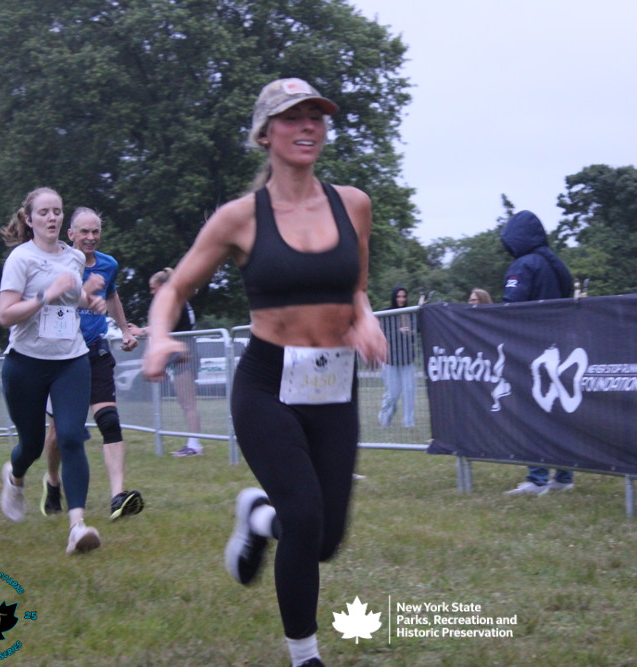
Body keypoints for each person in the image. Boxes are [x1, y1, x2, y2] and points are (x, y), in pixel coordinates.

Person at [142, 77, 386, 667]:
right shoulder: (239, 219)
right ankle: (305, 655)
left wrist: (366, 319)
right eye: (292, 117)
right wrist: (159, 335)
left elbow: (356, 288)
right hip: (267, 385)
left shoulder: (353, 204)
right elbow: (175, 287)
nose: (307, 126)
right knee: (304, 516)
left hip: (334, 384)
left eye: (316, 117)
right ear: (264, 134)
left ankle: (259, 514)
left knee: (324, 538)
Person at [0, 186, 106, 554]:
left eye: (57, 211)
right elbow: (5, 314)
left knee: (71, 436)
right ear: (29, 219)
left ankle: (77, 527)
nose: (52, 217)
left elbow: (74, 299)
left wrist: (91, 298)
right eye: (44, 212)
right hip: (25, 363)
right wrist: (46, 294)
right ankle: (15, 476)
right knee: (30, 445)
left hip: (70, 360)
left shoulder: (74, 257)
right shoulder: (21, 259)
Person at [41, 207, 145, 521]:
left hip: (96, 350)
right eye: (84, 231)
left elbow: (112, 296)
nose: (90, 237)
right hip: (62, 355)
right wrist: (83, 292)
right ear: (70, 234)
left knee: (109, 421)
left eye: (95, 231)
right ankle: (53, 482)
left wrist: (125, 330)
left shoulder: (108, 264)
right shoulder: (56, 263)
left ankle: (118, 498)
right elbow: (46, 302)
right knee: (60, 434)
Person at [500, 209, 577, 496]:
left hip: (531, 348)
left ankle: (537, 478)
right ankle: (564, 476)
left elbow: (511, 305)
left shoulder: (524, 265)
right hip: (560, 346)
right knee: (559, 413)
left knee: (534, 412)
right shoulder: (557, 265)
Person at [128, 267, 203, 456]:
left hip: (185, 356)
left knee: (188, 403)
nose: (152, 293)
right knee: (185, 403)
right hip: (182, 355)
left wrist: (140, 331)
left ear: (163, 286)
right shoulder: (178, 300)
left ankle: (194, 445)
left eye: (153, 288)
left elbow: (161, 326)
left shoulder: (175, 301)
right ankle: (192, 443)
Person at [377, 286, 417, 428]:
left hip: (407, 360)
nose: (401, 299)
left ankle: (408, 423)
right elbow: (383, 334)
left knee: (409, 391)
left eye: (404, 296)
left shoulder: (410, 313)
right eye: (398, 296)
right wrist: (398, 331)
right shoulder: (386, 313)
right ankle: (384, 418)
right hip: (390, 361)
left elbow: (414, 335)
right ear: (394, 297)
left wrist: (410, 333)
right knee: (392, 394)